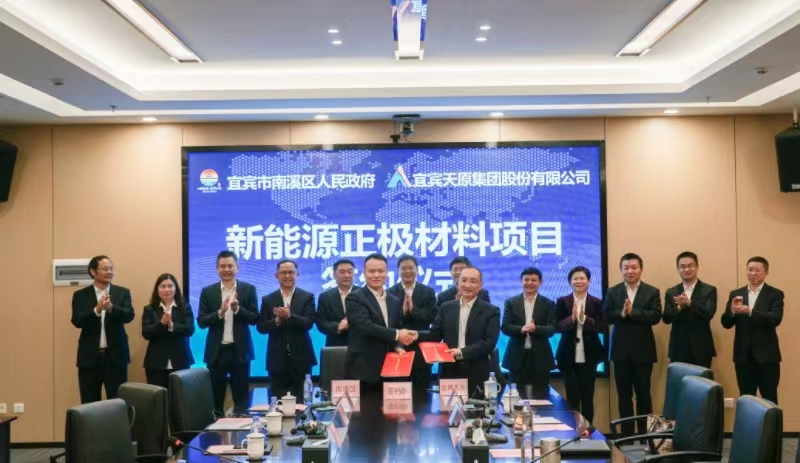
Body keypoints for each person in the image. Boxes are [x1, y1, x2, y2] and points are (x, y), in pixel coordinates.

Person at [417, 267, 500, 397]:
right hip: (449, 371)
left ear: (480, 285)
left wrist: (462, 352)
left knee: (477, 408)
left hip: (477, 371)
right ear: (458, 283)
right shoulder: (446, 307)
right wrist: (416, 335)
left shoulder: (491, 311)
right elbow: (434, 335)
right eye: (464, 280)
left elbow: (489, 343)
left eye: (473, 281)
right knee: (448, 409)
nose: (468, 285)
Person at [604, 253, 661, 437]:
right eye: (626, 268)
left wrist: (633, 312)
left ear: (641, 270)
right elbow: (606, 316)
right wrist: (621, 313)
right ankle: (627, 435)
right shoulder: (613, 291)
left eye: (634, 267)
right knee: (624, 395)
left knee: (644, 394)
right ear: (621, 270)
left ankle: (645, 436)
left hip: (643, 351)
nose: (630, 271)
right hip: (620, 351)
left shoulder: (652, 291)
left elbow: (655, 316)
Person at [197, 250, 259, 415]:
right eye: (222, 266)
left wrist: (238, 309)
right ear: (217, 268)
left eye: (230, 266)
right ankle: (215, 428)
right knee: (215, 398)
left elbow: (255, 318)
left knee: (241, 399)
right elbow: (201, 322)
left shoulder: (248, 289)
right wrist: (220, 312)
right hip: (216, 353)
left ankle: (242, 428)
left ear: (237, 267)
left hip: (240, 352)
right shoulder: (208, 291)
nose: (226, 269)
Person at [345, 253, 414, 391]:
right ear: (364, 273)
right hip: (365, 370)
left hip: (392, 369)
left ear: (387, 273)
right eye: (371, 271)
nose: (376, 275)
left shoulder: (395, 301)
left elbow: (398, 326)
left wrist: (399, 346)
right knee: (366, 405)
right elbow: (366, 327)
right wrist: (397, 335)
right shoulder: (354, 298)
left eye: (381, 271)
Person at [71, 255, 135, 403]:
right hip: (89, 358)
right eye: (105, 269)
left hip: (116, 357)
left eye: (111, 269)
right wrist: (96, 310)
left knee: (117, 402)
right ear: (93, 271)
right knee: (89, 403)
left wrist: (112, 308)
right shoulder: (80, 295)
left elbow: (129, 316)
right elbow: (77, 321)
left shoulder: (122, 292)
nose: (110, 272)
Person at [721, 256, 784, 404]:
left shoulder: (775, 294)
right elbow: (726, 323)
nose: (753, 273)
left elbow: (775, 319)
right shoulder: (737, 294)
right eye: (750, 270)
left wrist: (750, 311)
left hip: (767, 357)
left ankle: (772, 422)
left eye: (757, 270)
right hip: (743, 357)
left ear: (766, 272)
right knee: (746, 399)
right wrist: (732, 311)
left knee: (769, 399)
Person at [257, 260, 317, 400]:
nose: (287, 276)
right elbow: (261, 327)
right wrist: (277, 321)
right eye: (283, 272)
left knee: (303, 400)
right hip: (277, 359)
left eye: (291, 272)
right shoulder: (268, 299)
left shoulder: (307, 297)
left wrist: (290, 316)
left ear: (297, 275)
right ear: (276, 276)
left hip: (302, 357)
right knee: (277, 401)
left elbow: (308, 323)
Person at [555, 266, 605, 424]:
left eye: (582, 278)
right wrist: (572, 318)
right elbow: (556, 326)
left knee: (587, 397)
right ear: (570, 282)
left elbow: (602, 327)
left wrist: (584, 318)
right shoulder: (563, 301)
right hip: (567, 356)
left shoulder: (597, 302)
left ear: (589, 281)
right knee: (572, 397)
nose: (579, 281)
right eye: (575, 278)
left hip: (590, 355)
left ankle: (588, 431)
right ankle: (573, 431)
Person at [501, 267, 556, 399]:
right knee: (517, 397)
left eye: (533, 280)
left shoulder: (548, 303)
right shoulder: (511, 302)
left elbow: (551, 329)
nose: (529, 283)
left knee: (541, 396)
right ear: (521, 281)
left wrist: (535, 328)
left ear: (540, 282)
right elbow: (505, 327)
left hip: (541, 357)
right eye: (526, 280)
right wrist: (522, 329)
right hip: (517, 356)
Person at [387, 255, 437, 390]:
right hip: (398, 347)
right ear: (398, 271)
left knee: (422, 389)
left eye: (411, 268)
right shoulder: (390, 292)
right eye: (404, 268)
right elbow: (389, 321)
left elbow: (432, 317)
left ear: (417, 270)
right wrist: (402, 312)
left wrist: (413, 310)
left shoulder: (428, 291)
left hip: (421, 347)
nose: (408, 271)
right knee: (399, 388)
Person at [663, 252, 717, 368]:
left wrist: (690, 303)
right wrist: (679, 308)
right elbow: (666, 318)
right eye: (683, 266)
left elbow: (708, 314)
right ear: (678, 269)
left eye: (690, 266)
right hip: (678, 347)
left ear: (697, 267)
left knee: (701, 379)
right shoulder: (671, 292)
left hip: (701, 347)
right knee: (678, 379)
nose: (687, 269)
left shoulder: (709, 290)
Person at [141, 273, 195, 389]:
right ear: (157, 289)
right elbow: (146, 333)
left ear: (176, 289)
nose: (167, 290)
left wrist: (172, 325)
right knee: (158, 397)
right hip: (156, 362)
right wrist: (161, 324)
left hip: (181, 359)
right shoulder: (149, 309)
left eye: (170, 286)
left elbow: (190, 330)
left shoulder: (184, 307)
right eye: (163, 286)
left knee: (180, 396)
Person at [316, 259, 358, 347]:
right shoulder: (325, 297)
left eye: (350, 272)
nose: (346, 275)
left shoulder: (364, 294)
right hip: (334, 345)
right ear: (334, 275)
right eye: (342, 272)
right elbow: (321, 323)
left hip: (360, 345)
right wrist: (338, 327)